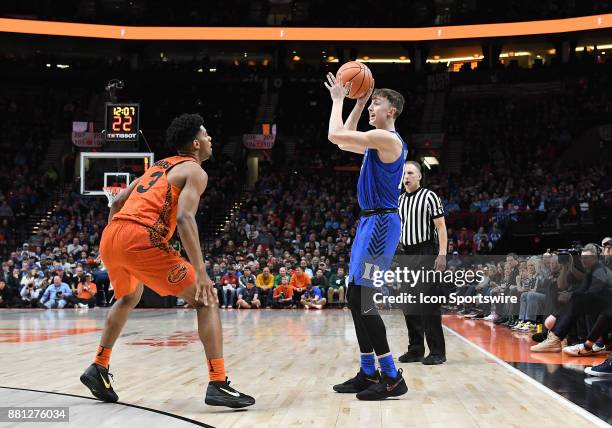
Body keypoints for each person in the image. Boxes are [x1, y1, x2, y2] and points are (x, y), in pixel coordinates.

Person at [79, 113, 254, 408]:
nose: (211, 140)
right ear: (196, 144)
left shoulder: (156, 167)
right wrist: (201, 272)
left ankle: (98, 366)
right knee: (206, 300)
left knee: (128, 297)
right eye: (207, 135)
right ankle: (218, 383)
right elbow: (185, 218)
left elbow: (119, 200)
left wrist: (112, 240)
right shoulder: (195, 170)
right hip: (141, 238)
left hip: (113, 235)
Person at [325, 73, 408, 400]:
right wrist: (357, 103)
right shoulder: (377, 142)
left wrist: (337, 100)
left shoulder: (388, 139)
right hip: (369, 225)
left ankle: (391, 377)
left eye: (376, 102)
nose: (373, 107)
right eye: (371, 102)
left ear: (392, 111)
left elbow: (335, 135)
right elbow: (345, 141)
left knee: (365, 300)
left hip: (382, 226)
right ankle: (367, 370)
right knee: (354, 297)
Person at [397, 161, 448, 365]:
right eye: (403, 174)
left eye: (410, 173)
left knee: (428, 304)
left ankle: (437, 352)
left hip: (426, 252)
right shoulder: (400, 199)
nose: (406, 177)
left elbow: (441, 227)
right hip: (405, 254)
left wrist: (442, 254)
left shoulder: (429, 196)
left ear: (419, 177)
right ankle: (416, 349)